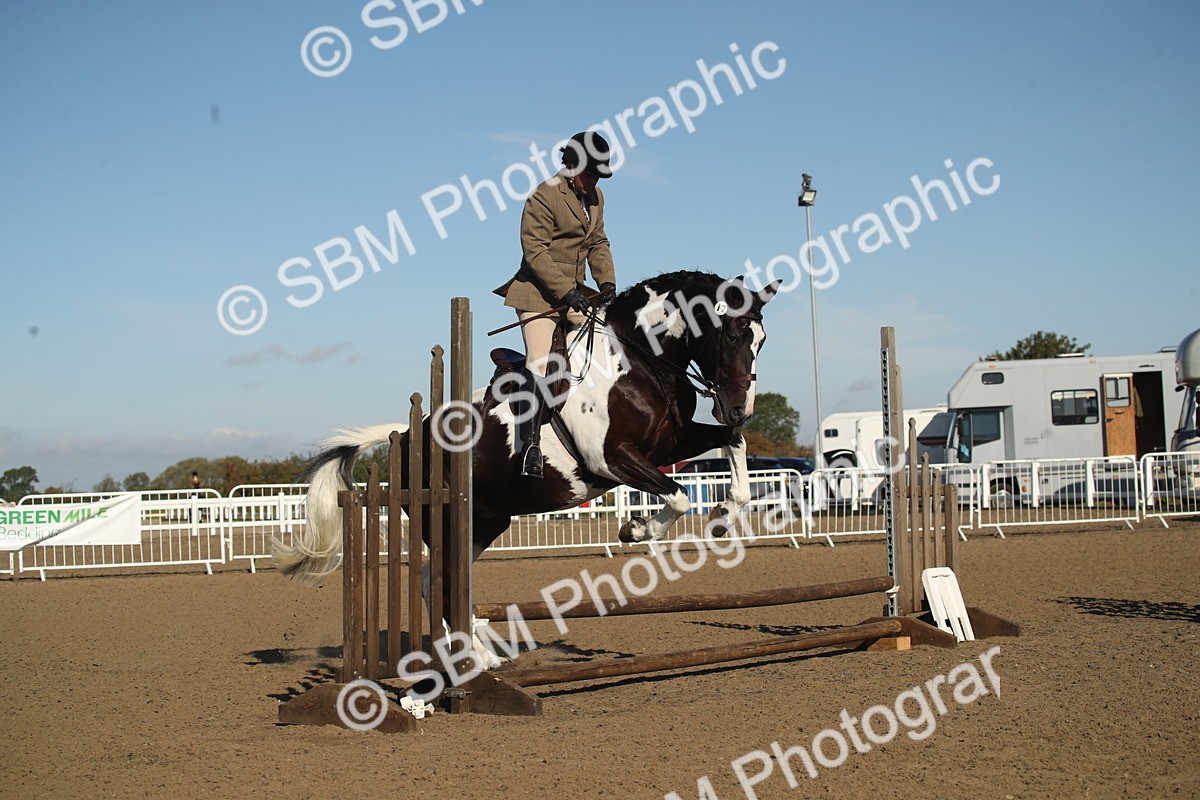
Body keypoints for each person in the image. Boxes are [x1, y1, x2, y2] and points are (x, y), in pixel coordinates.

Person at [494, 130, 617, 477]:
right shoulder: (544, 195)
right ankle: (530, 448)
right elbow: (535, 251)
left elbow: (599, 242)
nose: (593, 181)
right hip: (537, 295)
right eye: (589, 174)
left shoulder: (596, 197)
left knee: (607, 345)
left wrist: (606, 282)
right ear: (571, 165)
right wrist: (566, 292)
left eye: (597, 176)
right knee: (539, 363)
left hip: (575, 294)